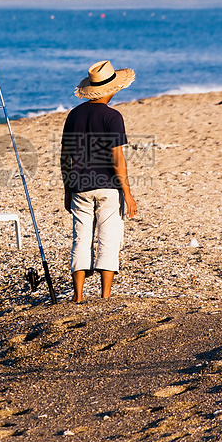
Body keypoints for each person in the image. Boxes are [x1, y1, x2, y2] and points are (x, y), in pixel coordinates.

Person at [61, 60, 137, 303]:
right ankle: (105, 295)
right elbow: (117, 158)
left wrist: (67, 188)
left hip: (80, 186)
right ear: (112, 90)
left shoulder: (74, 115)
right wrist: (127, 192)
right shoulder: (113, 117)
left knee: (81, 238)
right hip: (108, 186)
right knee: (109, 237)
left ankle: (79, 296)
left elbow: (65, 156)